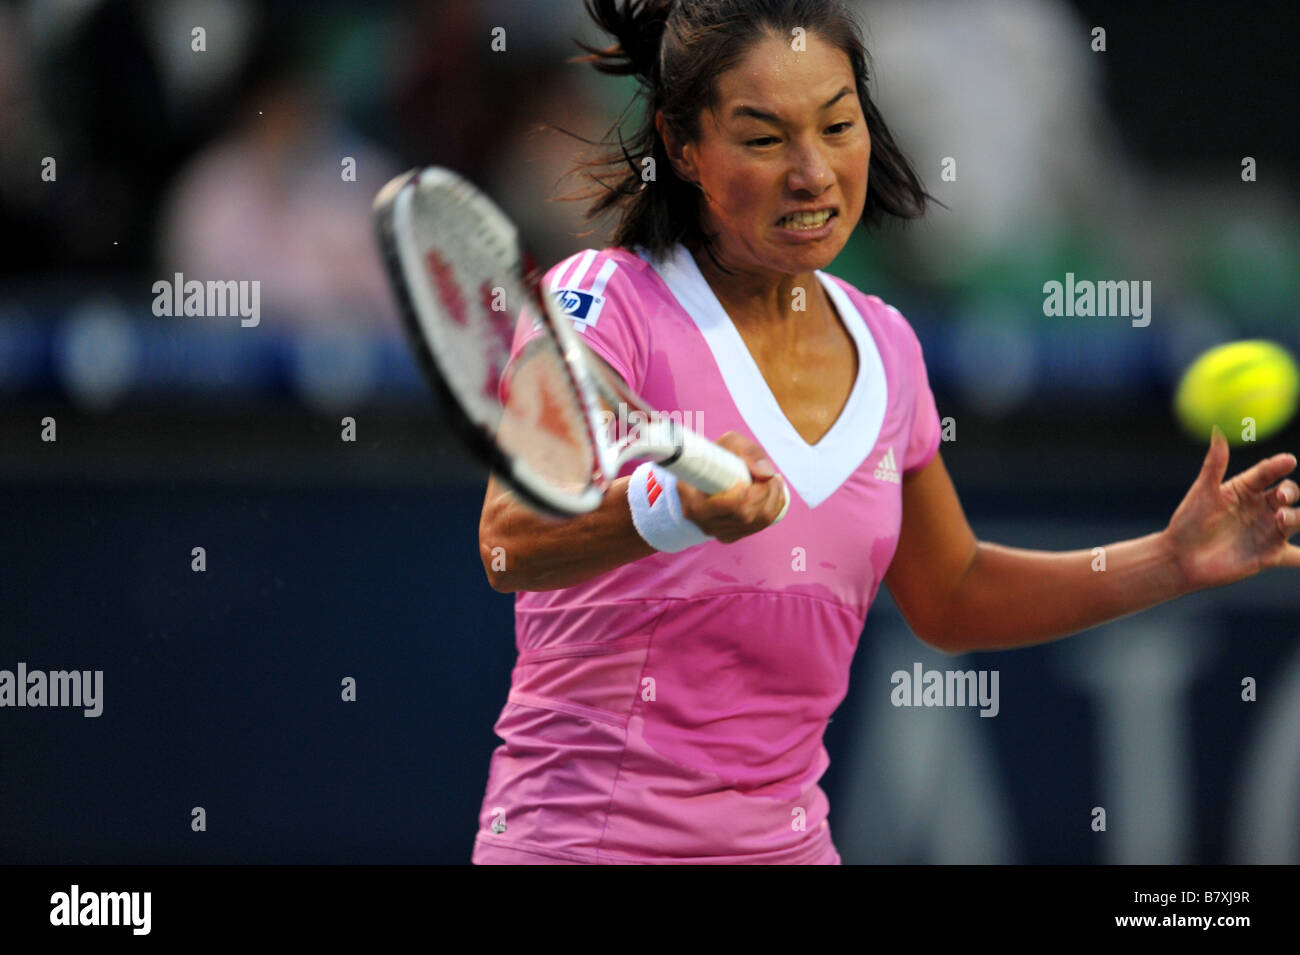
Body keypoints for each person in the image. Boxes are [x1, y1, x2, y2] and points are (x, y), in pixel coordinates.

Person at [472, 0, 1300, 865]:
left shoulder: (889, 349)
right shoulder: (601, 305)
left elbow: (952, 594)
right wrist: (666, 506)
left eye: (838, 126)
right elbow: (507, 540)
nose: (813, 172)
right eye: (763, 139)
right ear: (684, 149)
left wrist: (1168, 560)